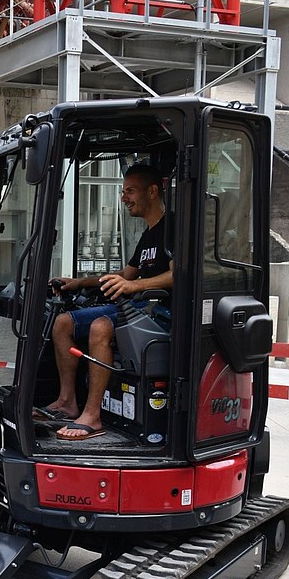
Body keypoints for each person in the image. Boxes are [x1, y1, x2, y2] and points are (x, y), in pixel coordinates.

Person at [43, 163, 173, 440]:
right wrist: (79, 282)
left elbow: (177, 275)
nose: (124, 198)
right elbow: (125, 275)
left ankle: (92, 416)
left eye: (130, 191)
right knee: (63, 323)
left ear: (152, 191)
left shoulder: (171, 227)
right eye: (123, 192)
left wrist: (133, 286)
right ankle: (67, 401)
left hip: (158, 312)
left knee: (100, 327)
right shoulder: (149, 234)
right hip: (136, 306)